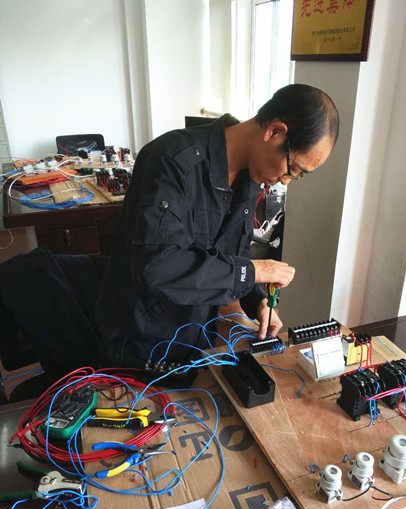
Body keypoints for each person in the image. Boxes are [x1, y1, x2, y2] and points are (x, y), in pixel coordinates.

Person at [96, 84, 339, 367]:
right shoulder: (171, 161)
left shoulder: (249, 178)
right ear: (274, 131)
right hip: (141, 347)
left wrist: (258, 302)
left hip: (196, 342)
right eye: (293, 169)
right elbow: (158, 267)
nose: (286, 181)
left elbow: (231, 259)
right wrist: (254, 271)